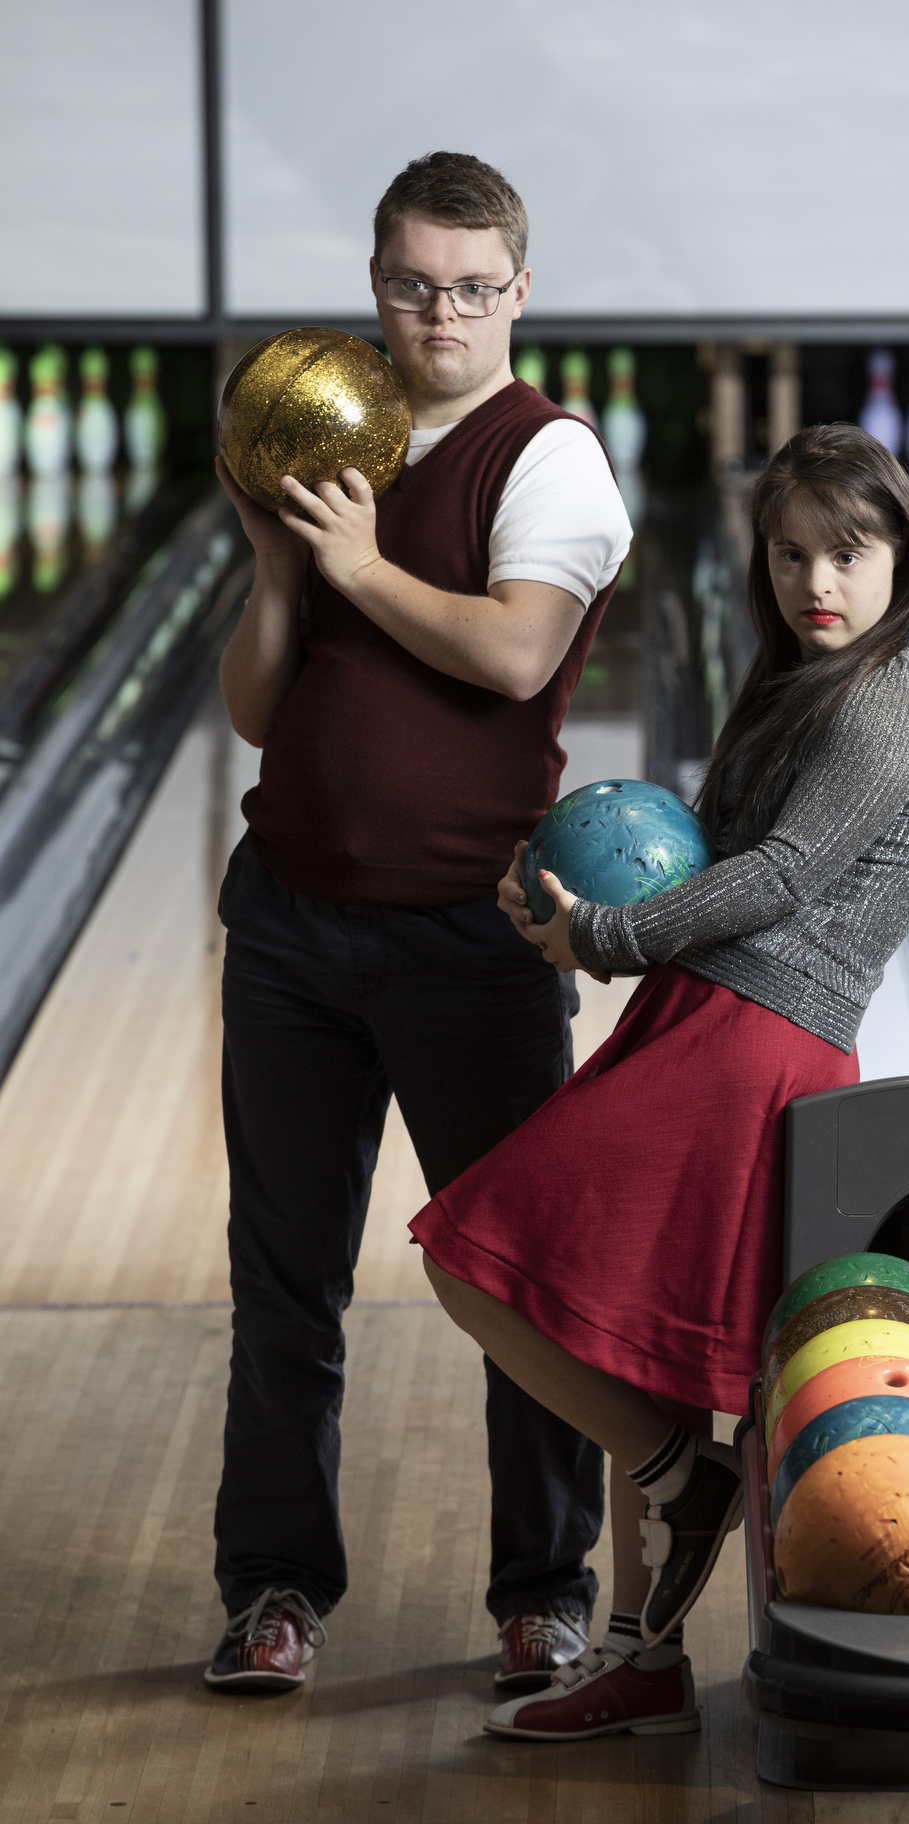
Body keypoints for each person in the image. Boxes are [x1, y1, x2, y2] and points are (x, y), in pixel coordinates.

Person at [409, 423, 909, 1740]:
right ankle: (644, 1663)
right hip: (709, 1014)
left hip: (752, 1043)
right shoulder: (817, 675)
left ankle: (686, 1476)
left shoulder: (895, 697)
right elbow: (726, 852)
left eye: (847, 550)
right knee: (631, 1341)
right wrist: (589, 894)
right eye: (788, 552)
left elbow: (777, 881)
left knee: (466, 1256)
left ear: (902, 551)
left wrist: (598, 936)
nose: (813, 579)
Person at [205, 151, 632, 1695]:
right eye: (408, 283)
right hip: (295, 935)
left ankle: (544, 1592)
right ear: (373, 284)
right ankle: (270, 1592)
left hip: (472, 945)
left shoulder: (552, 458)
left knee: (517, 1280)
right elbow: (263, 706)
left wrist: (355, 560)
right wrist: (277, 568)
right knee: (284, 1282)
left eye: (468, 288)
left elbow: (516, 655)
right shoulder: (329, 440)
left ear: (518, 292)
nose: (436, 313)